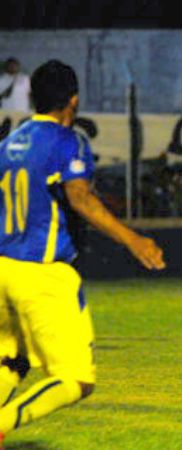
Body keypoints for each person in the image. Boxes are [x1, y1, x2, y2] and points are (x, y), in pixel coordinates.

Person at [0, 60, 164, 445]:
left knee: (12, 361)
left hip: (3, 268)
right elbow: (81, 199)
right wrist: (133, 239)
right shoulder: (66, 140)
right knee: (76, 379)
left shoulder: (7, 144)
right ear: (72, 101)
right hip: (41, 273)